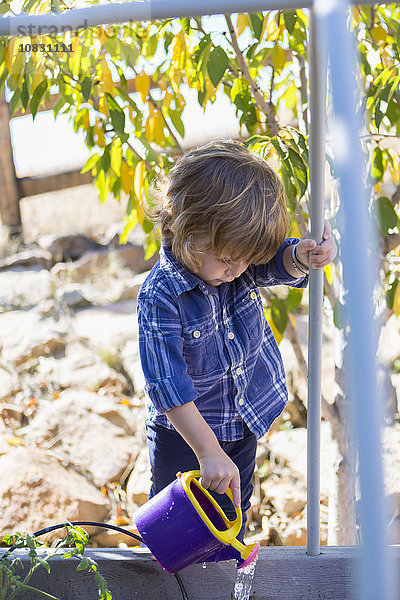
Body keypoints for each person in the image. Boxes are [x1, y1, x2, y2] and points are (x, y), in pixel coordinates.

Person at [137, 139, 337, 540]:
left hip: (241, 425)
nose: (238, 270)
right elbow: (169, 389)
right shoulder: (160, 297)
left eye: (246, 259)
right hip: (186, 438)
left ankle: (227, 569)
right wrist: (208, 451)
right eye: (227, 260)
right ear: (182, 227)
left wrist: (302, 256)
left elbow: (275, 263)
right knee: (180, 531)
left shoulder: (238, 260)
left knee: (230, 518)